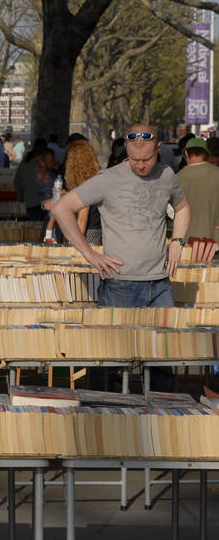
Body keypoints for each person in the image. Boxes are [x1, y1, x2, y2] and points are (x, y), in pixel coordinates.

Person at [52, 123, 190, 390]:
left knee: (162, 360)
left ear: (159, 148)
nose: (141, 165)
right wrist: (90, 253)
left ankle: (161, 418)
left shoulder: (167, 175)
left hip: (160, 283)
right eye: (136, 159)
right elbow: (62, 209)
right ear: (126, 148)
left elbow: (182, 207)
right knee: (108, 363)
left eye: (147, 159)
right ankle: (100, 419)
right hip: (119, 284)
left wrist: (178, 241)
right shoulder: (108, 178)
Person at [176, 137, 219, 242]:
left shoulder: (177, 178)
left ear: (186, 153)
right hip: (215, 240)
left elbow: (171, 211)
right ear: (206, 154)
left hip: (187, 241)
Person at [13, 143, 54, 221]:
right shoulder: (42, 169)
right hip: (43, 204)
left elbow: (16, 182)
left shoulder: (24, 163)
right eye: (51, 161)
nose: (52, 164)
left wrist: (21, 197)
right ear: (41, 157)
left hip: (30, 203)